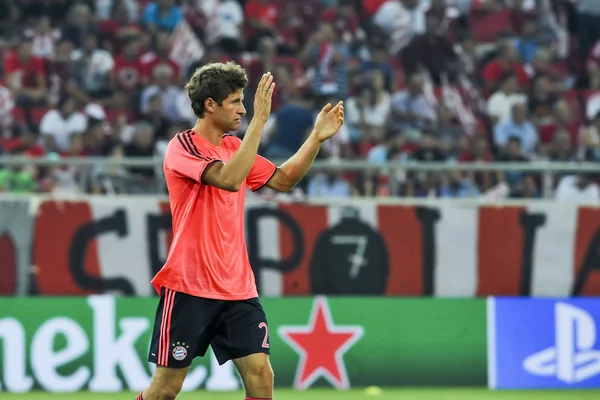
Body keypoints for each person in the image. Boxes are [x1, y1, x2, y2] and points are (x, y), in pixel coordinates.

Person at [137, 62, 345, 400]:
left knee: (261, 376)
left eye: (244, 101)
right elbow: (230, 179)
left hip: (237, 289)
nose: (244, 109)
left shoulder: (235, 148)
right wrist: (260, 122)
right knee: (165, 390)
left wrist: (316, 138)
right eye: (235, 101)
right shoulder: (182, 147)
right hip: (190, 287)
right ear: (210, 104)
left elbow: (283, 179)